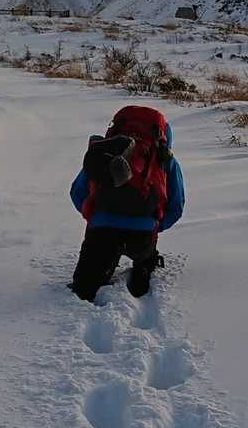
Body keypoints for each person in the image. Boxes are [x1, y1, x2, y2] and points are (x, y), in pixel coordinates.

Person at [68, 105, 184, 301]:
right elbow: (176, 206)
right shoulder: (165, 160)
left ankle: (90, 282)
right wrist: (155, 224)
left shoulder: (104, 153)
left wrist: (95, 216)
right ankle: (143, 268)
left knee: (84, 288)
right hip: (143, 234)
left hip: (102, 230)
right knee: (145, 255)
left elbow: (77, 193)